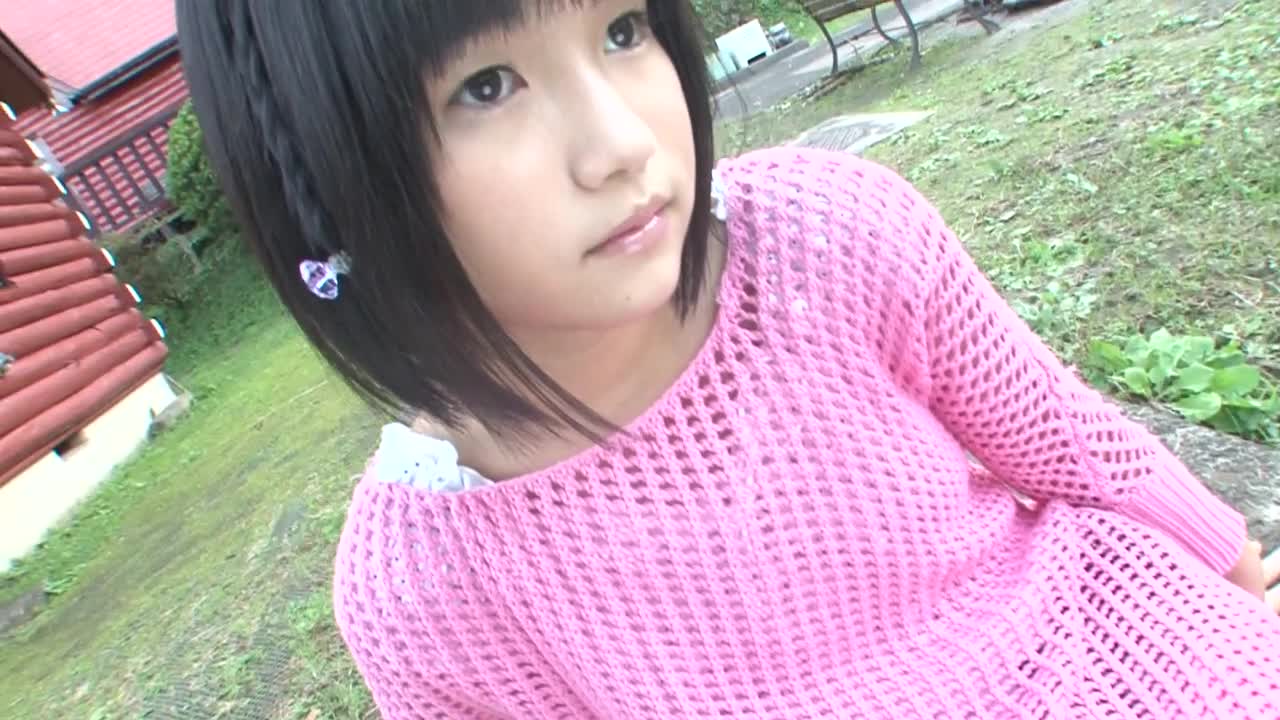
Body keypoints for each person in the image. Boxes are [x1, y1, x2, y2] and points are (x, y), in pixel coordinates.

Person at [175, 1, 1280, 717]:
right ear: (324, 185)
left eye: (621, 30)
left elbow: (1061, 435)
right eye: (485, 87)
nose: (620, 144)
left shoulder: (827, 237)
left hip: (1105, 643)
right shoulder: (423, 588)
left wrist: (1227, 562)